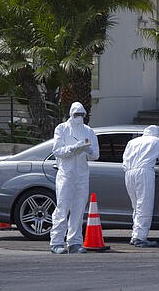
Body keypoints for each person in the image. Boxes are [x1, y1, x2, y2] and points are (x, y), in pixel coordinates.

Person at [50, 102, 99, 254]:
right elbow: (57, 151)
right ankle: (57, 242)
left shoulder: (89, 131)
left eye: (81, 114)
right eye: (76, 114)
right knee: (62, 208)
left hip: (82, 174)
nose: (79, 117)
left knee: (78, 209)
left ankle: (75, 242)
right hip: (66, 173)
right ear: (71, 114)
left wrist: (89, 150)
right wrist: (73, 148)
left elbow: (96, 155)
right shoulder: (62, 128)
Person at [123, 125, 159, 247]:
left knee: (136, 206)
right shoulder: (157, 141)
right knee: (144, 205)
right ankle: (140, 237)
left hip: (128, 173)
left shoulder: (132, 142)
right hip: (144, 172)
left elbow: (124, 159)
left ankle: (135, 235)